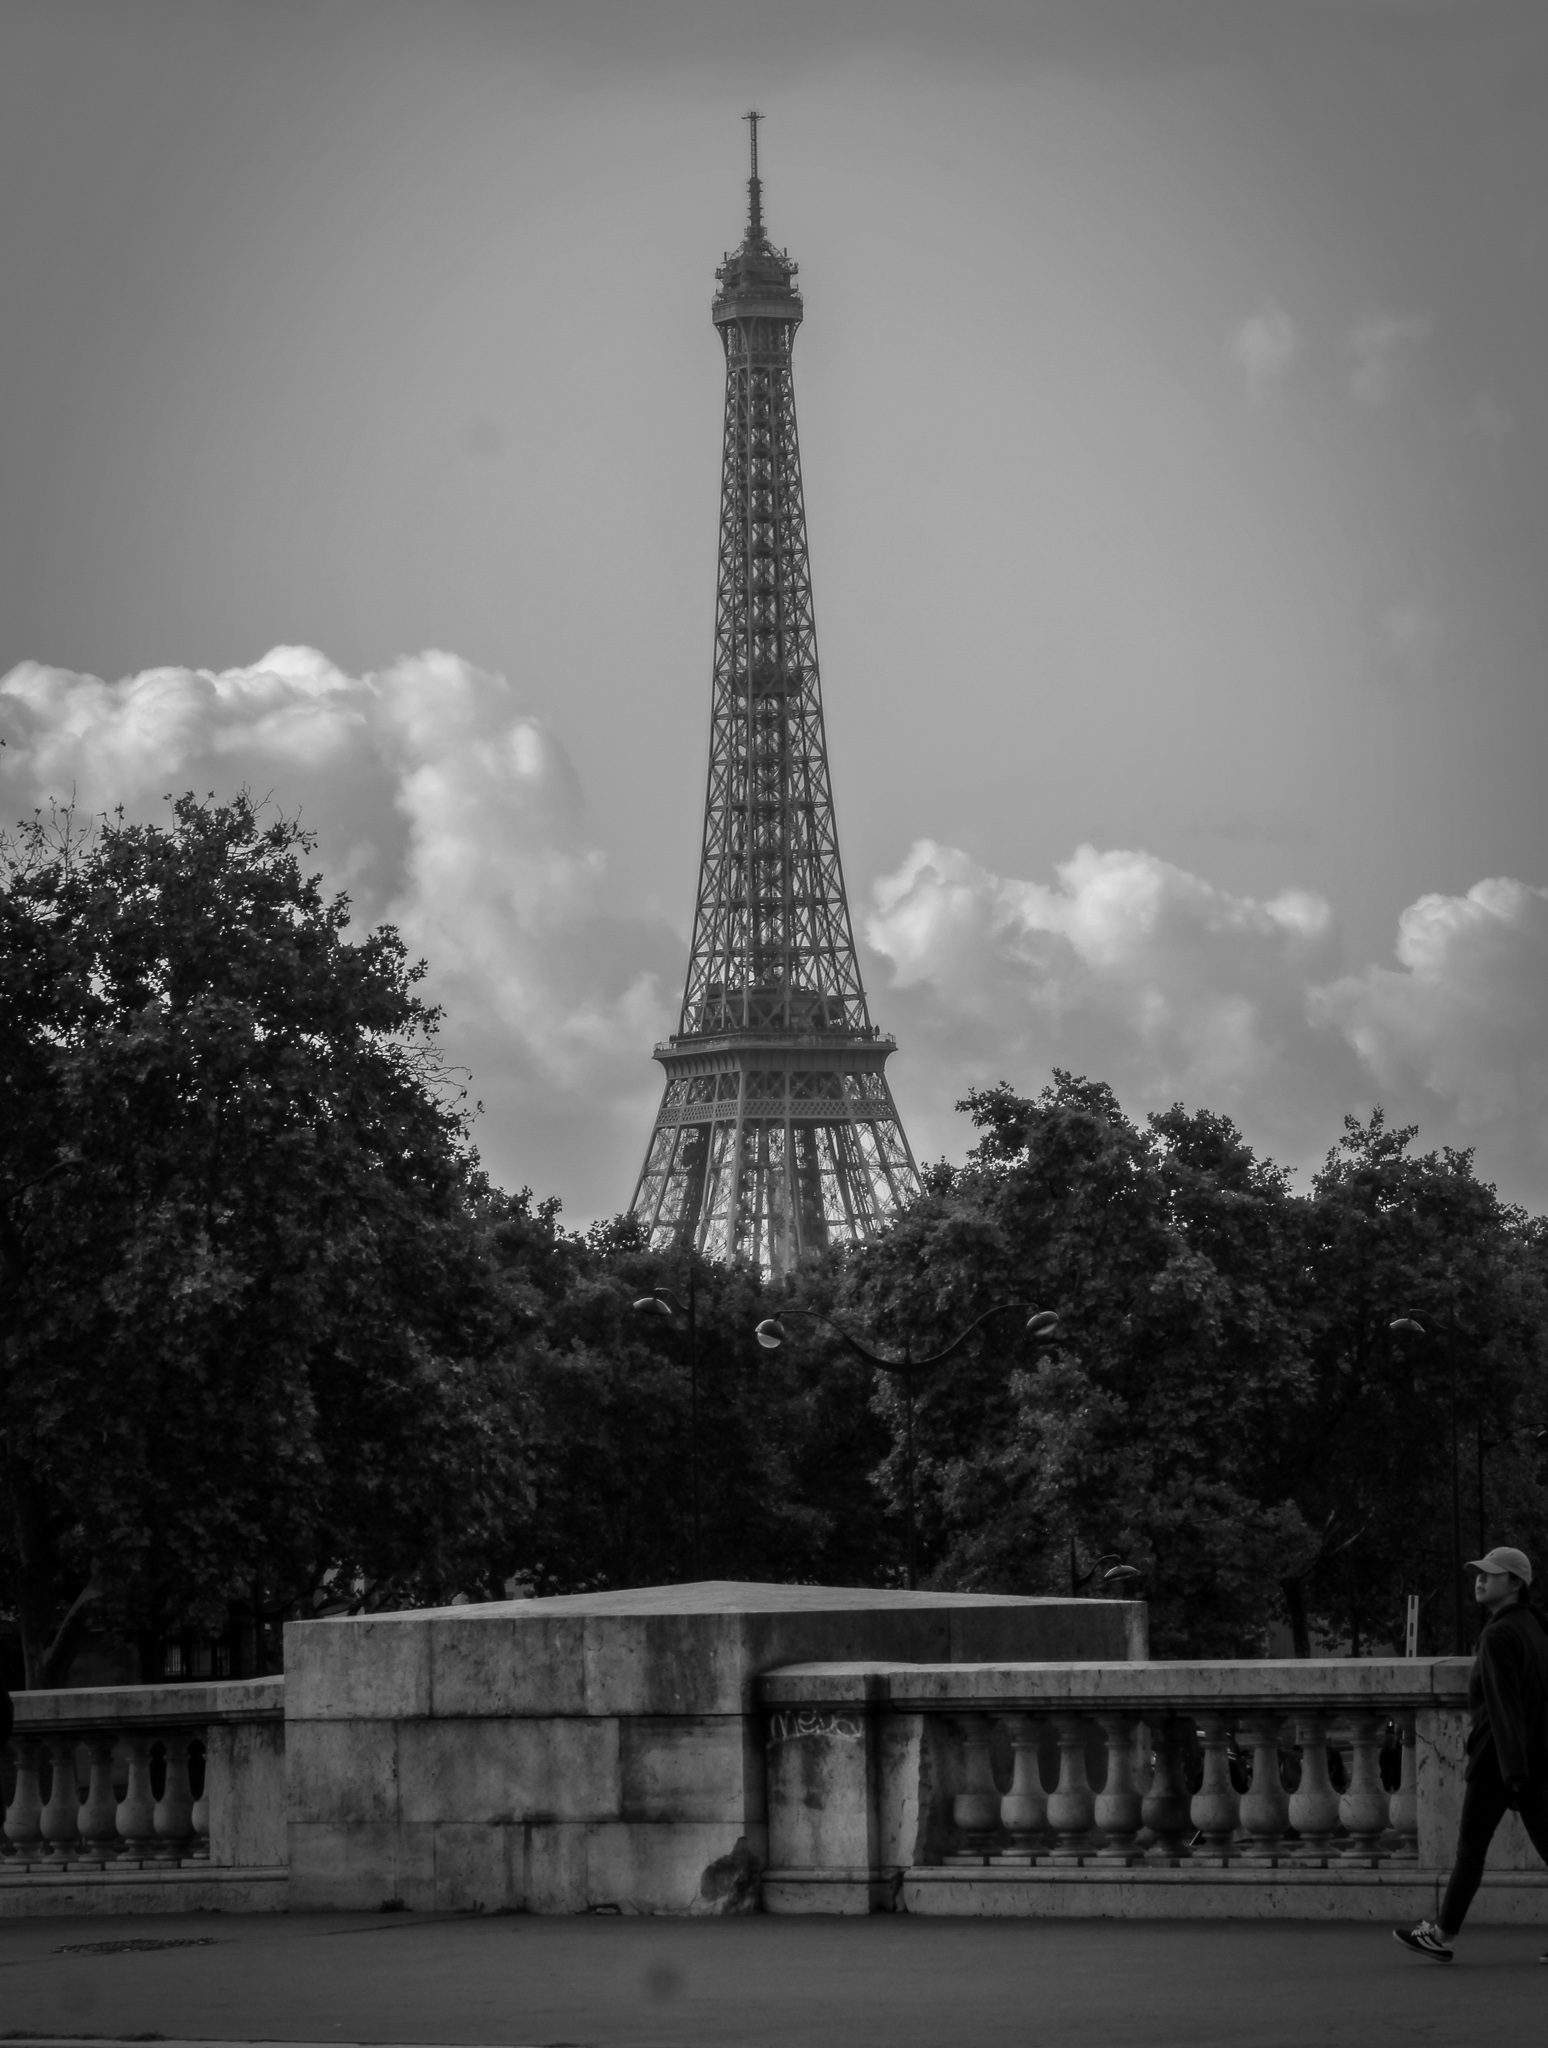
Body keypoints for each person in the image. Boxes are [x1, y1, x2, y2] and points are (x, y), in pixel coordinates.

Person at [1394, 1545, 1548, 1963]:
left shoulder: (1498, 1634)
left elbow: (1502, 1706)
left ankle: (1442, 1936)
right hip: (1532, 1756)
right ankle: (1441, 1934)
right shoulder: (1535, 1628)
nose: (1480, 1579)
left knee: (1472, 1849)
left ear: (1516, 1583)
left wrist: (1513, 1771)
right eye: (1479, 1572)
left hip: (1501, 1760)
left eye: (1491, 1574)